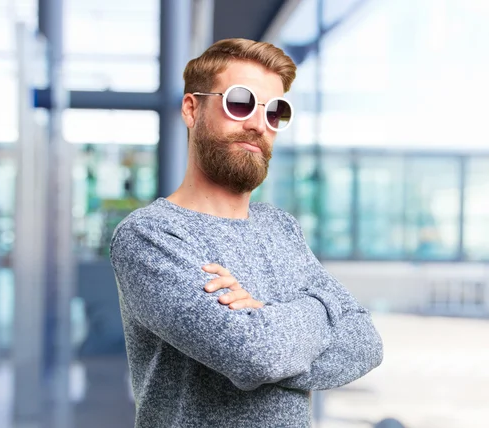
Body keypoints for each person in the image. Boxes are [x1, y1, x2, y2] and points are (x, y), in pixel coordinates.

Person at [110, 38, 383, 428]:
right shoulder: (151, 236)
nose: (258, 124)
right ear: (192, 108)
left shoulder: (281, 227)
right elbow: (255, 354)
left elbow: (366, 343)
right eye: (239, 102)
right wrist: (322, 308)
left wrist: (267, 317)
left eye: (275, 112)